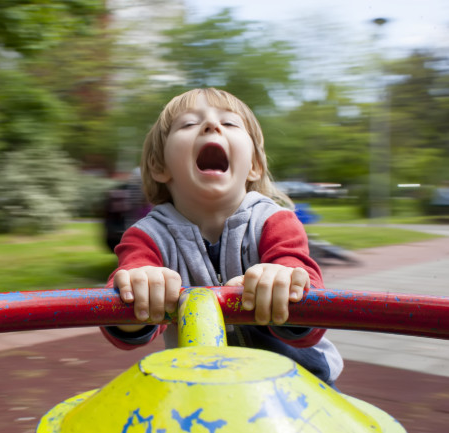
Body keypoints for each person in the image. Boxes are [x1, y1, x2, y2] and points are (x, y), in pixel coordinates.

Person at [101, 88, 343, 385]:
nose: (211, 126)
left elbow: (306, 292)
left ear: (253, 165)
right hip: (206, 389)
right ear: (159, 166)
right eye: (189, 124)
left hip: (301, 386)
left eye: (229, 123)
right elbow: (123, 312)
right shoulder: (146, 236)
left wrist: (286, 280)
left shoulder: (275, 221)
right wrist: (136, 291)